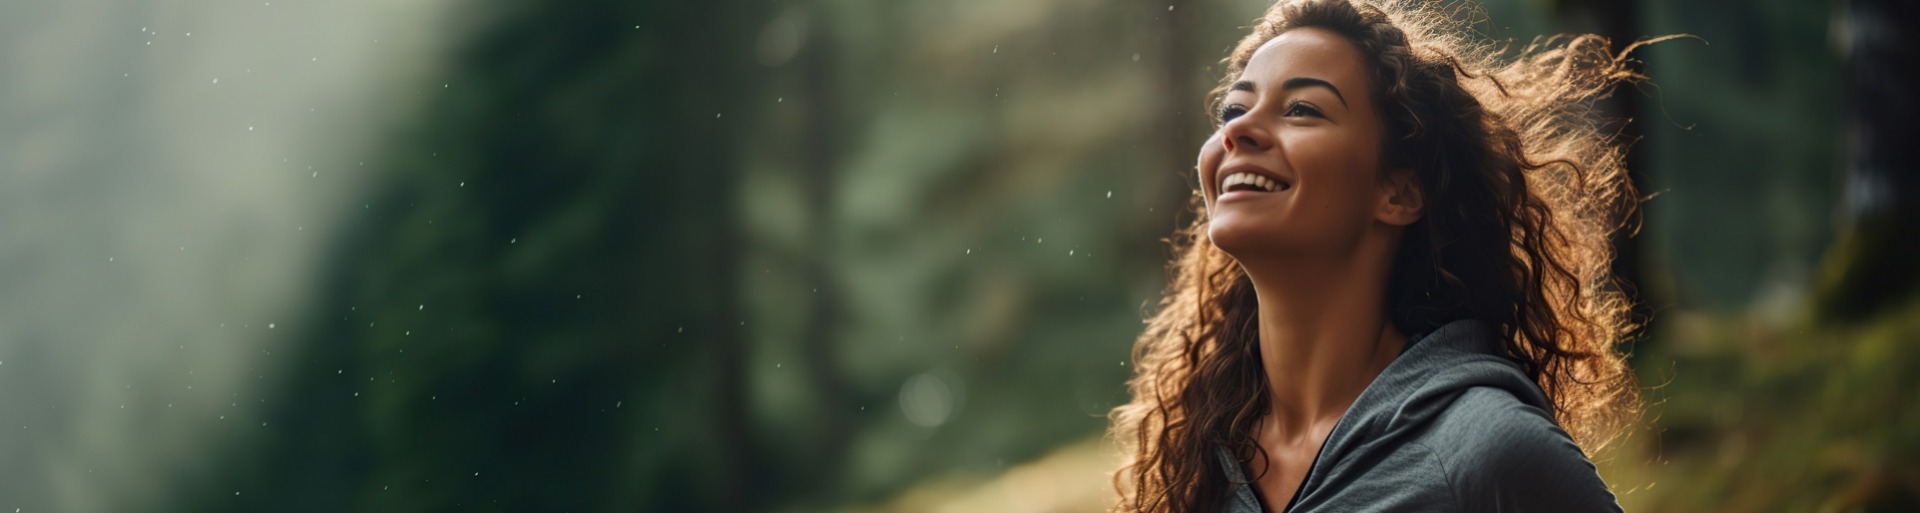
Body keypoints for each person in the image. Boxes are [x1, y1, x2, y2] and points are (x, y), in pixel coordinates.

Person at [1107, 0, 1666, 511]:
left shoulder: (1487, 449)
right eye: (1233, 111)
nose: (1240, 131)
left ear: (1398, 193)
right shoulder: (1201, 456)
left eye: (1302, 109)